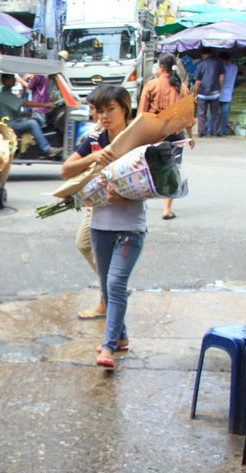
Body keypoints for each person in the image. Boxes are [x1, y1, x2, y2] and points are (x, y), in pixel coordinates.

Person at [60, 86, 143, 370]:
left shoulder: (139, 138)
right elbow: (66, 170)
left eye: (111, 109)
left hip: (131, 227)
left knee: (116, 285)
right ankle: (120, 338)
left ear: (125, 109)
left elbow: (155, 183)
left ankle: (107, 348)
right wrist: (93, 158)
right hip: (99, 224)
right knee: (109, 288)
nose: (104, 116)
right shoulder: (94, 139)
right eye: (101, 110)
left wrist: (123, 195)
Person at [139, 52, 195, 220]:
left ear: (161, 66)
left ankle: (141, 201)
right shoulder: (183, 87)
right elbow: (188, 117)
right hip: (176, 135)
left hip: (155, 134)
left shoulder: (151, 85)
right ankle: (167, 209)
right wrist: (191, 136)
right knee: (172, 169)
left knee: (146, 168)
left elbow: (141, 114)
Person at [73, 87, 107, 320]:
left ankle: (109, 297)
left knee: (109, 261)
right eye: (96, 110)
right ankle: (111, 292)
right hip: (94, 202)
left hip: (119, 209)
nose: (97, 115)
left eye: (104, 110)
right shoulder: (94, 137)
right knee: (84, 244)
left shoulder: (126, 137)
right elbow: (68, 168)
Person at [0, 73, 61, 159]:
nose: (14, 80)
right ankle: (47, 148)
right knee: (33, 123)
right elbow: (25, 103)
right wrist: (45, 105)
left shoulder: (8, 93)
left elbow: (11, 112)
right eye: (11, 78)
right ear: (4, 81)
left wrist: (25, 114)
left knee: (36, 119)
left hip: (16, 120)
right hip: (11, 124)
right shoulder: (4, 95)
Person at [193, 48, 223, 137]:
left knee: (202, 114)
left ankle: (202, 132)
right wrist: (220, 89)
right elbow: (221, 78)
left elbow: (197, 82)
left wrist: (196, 94)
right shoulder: (218, 63)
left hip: (202, 94)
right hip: (215, 93)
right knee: (215, 113)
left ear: (203, 55)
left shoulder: (200, 65)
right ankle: (216, 132)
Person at [217, 51, 239, 137]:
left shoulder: (221, 67)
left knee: (214, 113)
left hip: (219, 92)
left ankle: (212, 130)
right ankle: (224, 130)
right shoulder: (235, 67)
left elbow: (221, 79)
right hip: (229, 92)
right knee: (225, 113)